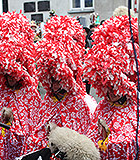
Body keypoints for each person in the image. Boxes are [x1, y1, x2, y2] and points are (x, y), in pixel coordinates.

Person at [22, 15, 96, 155]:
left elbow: (83, 144)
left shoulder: (80, 103)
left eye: (58, 80)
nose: (54, 86)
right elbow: (35, 136)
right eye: (52, 81)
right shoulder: (47, 101)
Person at [83, 14, 140, 159]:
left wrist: (111, 143)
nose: (111, 92)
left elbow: (139, 143)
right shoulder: (102, 108)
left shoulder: (135, 108)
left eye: (115, 86)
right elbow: (89, 139)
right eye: (107, 86)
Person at [0, 12, 41, 160]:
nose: (10, 79)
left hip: (22, 146)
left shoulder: (30, 91)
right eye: (7, 75)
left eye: (13, 75)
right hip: (2, 145)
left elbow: (33, 124)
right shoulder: (2, 91)